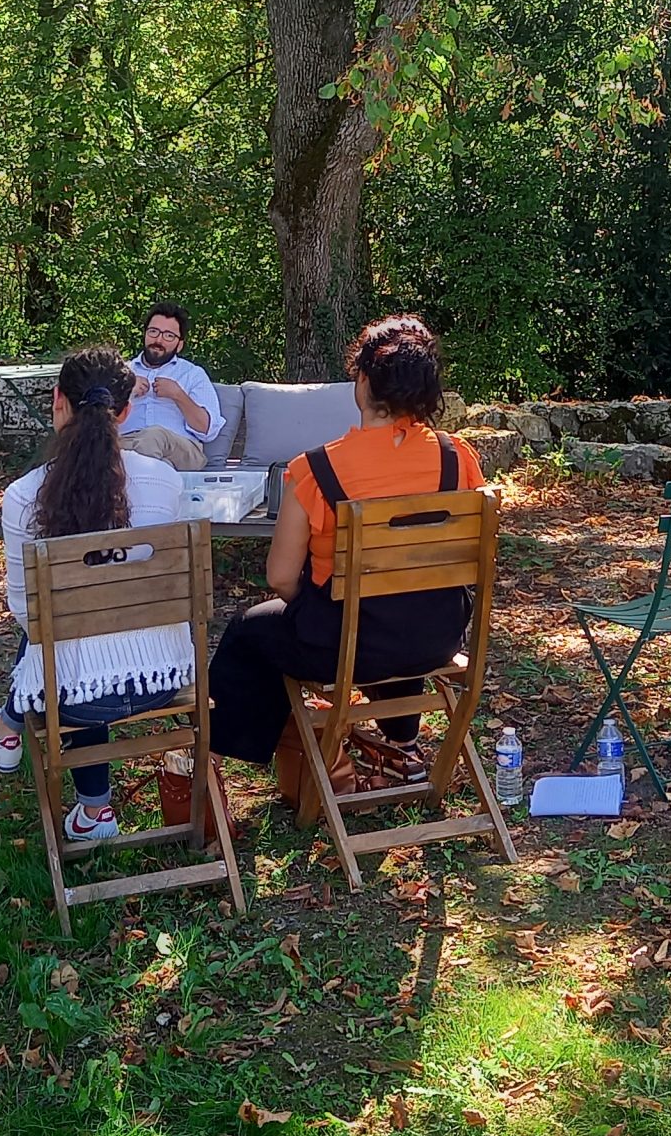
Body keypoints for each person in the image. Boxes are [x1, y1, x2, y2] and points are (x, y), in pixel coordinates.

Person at [206, 315, 485, 790]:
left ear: (361, 380)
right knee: (398, 604)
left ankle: (219, 767)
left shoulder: (315, 470)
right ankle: (403, 749)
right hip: (437, 635)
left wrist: (313, 605)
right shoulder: (456, 456)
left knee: (250, 630)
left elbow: (280, 577)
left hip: (348, 644)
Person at [0, 348, 192, 844]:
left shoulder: (24, 495)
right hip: (164, 674)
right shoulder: (164, 480)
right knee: (81, 632)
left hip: (73, 695)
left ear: (58, 402)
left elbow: (26, 615)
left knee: (66, 636)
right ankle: (84, 804)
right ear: (126, 411)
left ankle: (91, 807)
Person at [120, 303, 226, 472]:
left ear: (179, 344)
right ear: (145, 334)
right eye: (153, 331)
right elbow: (98, 418)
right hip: (125, 443)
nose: (158, 340)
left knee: (153, 436)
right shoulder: (122, 372)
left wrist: (178, 395)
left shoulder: (193, 374)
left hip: (183, 449)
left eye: (169, 335)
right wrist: (124, 391)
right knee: (162, 467)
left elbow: (208, 431)